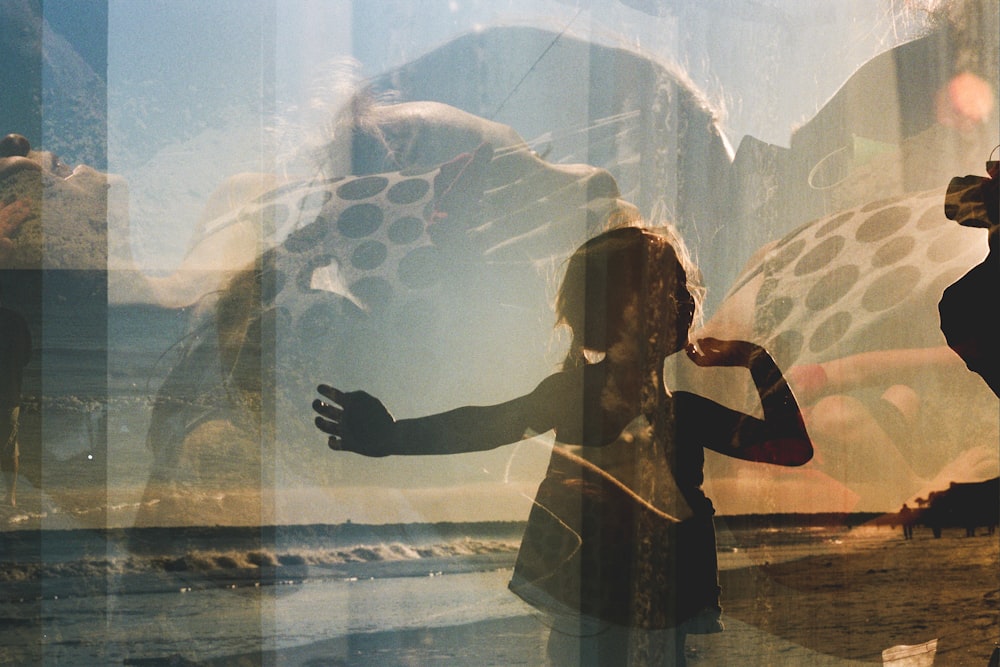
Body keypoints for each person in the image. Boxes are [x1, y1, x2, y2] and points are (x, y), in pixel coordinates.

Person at [313, 224, 813, 665]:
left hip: (666, 610)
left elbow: (792, 447)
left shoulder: (684, 413)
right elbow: (486, 426)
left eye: (683, 286)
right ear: (613, 311)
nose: (685, 299)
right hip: (595, 613)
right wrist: (393, 436)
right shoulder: (576, 394)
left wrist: (755, 357)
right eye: (665, 287)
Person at [0, 282, 32, 506]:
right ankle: (10, 496)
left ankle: (10, 496)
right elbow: (26, 357)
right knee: (9, 445)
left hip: (8, 393)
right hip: (9, 391)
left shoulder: (15, 321)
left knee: (10, 445)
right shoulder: (16, 320)